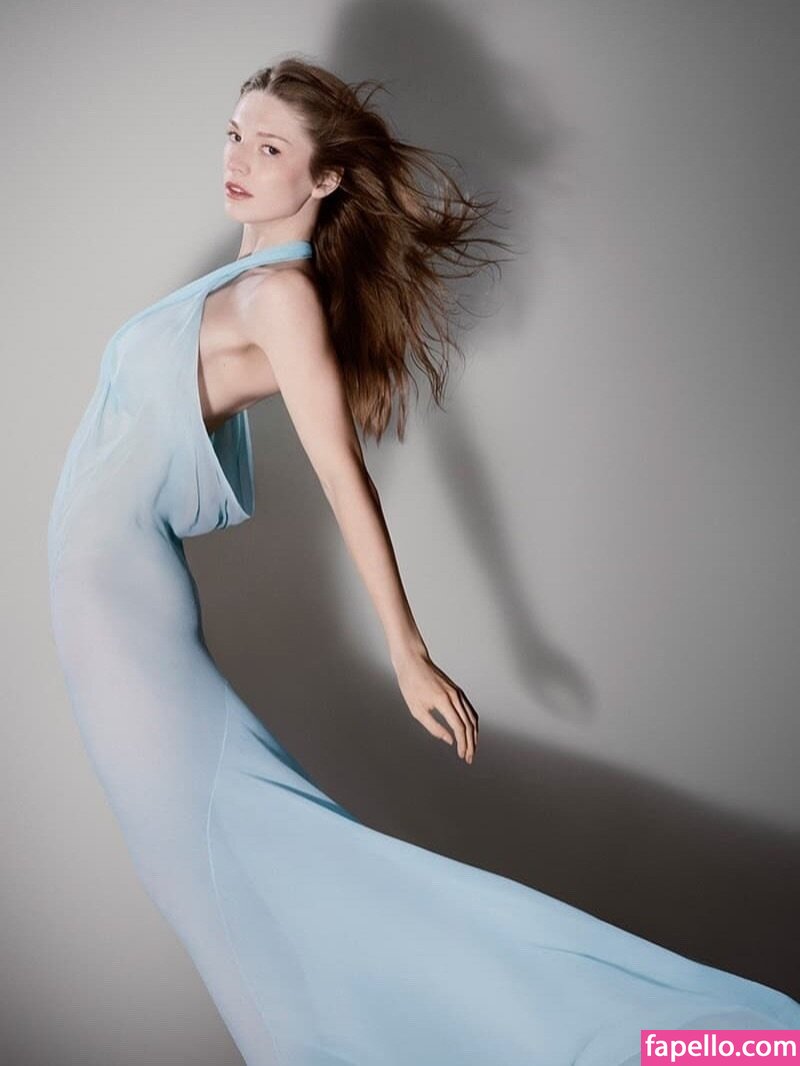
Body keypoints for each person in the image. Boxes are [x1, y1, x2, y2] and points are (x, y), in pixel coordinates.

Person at [47, 57, 800, 1066]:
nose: (237, 160)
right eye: (234, 135)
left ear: (322, 178)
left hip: (123, 617)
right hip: (104, 606)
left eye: (268, 148)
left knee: (260, 887)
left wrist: (407, 651)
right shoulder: (240, 283)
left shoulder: (280, 300)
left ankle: (726, 1045)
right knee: (234, 907)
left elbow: (340, 470)